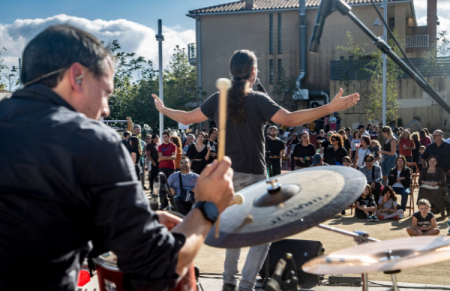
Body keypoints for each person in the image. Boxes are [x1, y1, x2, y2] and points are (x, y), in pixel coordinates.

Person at [0, 24, 235, 291]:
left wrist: (131, 226)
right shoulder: (91, 140)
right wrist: (206, 209)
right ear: (77, 76)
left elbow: (34, 226)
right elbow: (157, 269)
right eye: (106, 92)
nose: (106, 109)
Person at [152, 49, 359, 291]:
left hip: (227, 177)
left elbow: (186, 118)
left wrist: (163, 109)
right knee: (264, 234)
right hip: (254, 177)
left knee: (234, 230)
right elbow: (290, 119)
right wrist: (329, 107)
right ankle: (245, 286)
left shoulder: (219, 98)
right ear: (253, 71)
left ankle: (228, 282)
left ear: (232, 71)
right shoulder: (259, 99)